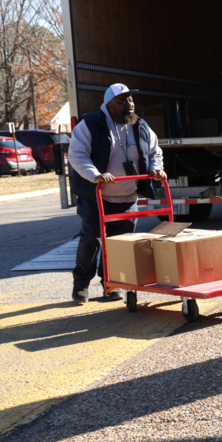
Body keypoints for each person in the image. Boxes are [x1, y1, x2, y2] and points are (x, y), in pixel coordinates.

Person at [68, 83, 166, 304]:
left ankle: (113, 285)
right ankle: (81, 286)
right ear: (109, 105)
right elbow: (77, 154)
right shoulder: (90, 124)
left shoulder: (140, 125)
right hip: (97, 196)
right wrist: (95, 175)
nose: (129, 105)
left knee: (119, 244)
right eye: (122, 101)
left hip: (127, 196)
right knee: (91, 239)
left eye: (130, 100)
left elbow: (154, 151)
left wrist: (155, 168)